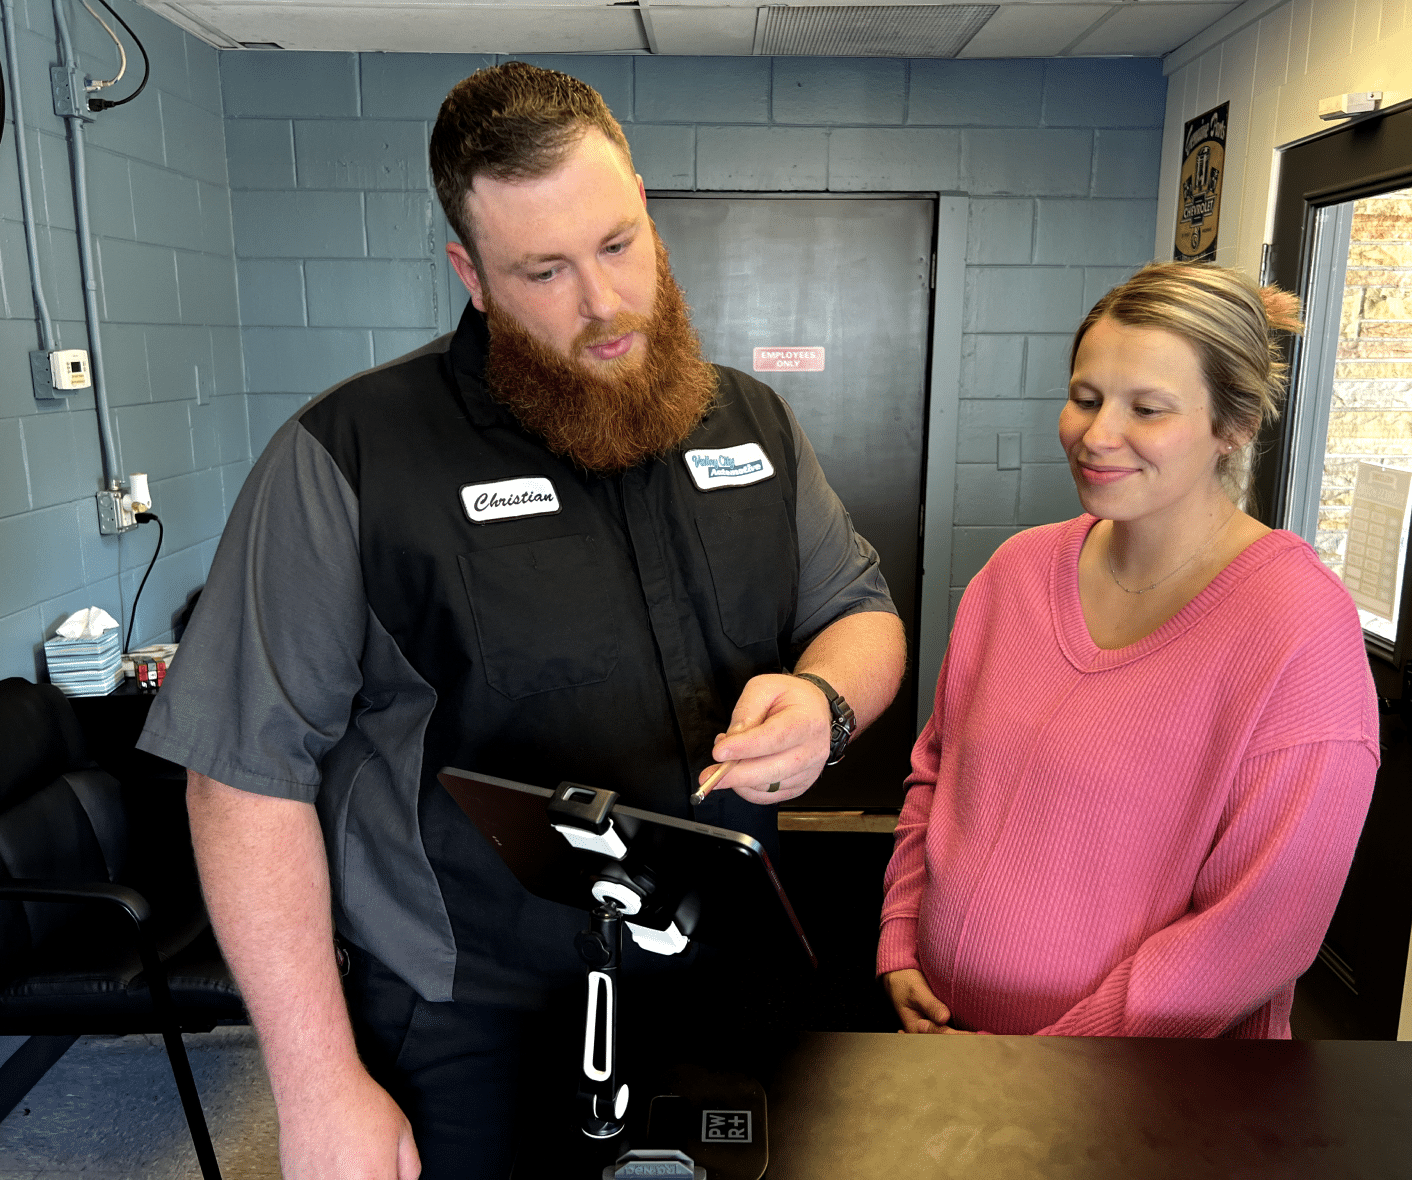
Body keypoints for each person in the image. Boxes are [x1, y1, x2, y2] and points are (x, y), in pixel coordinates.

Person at [138, 62, 905, 1179]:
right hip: (469, 1016)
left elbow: (862, 613)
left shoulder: (755, 423)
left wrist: (828, 703)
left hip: (728, 985)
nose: (602, 306)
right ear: (472, 274)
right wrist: (314, 1084)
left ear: (643, 203)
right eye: (543, 271)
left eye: (617, 244)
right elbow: (244, 779)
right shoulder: (349, 457)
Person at [878, 261, 1378, 1040]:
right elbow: (937, 773)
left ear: (1233, 426)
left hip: (1140, 1088)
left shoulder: (1297, 628)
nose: (1097, 435)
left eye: (1147, 409)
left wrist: (1055, 1064)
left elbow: (1258, 930)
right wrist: (902, 935)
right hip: (949, 1048)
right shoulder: (1015, 574)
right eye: (1084, 398)